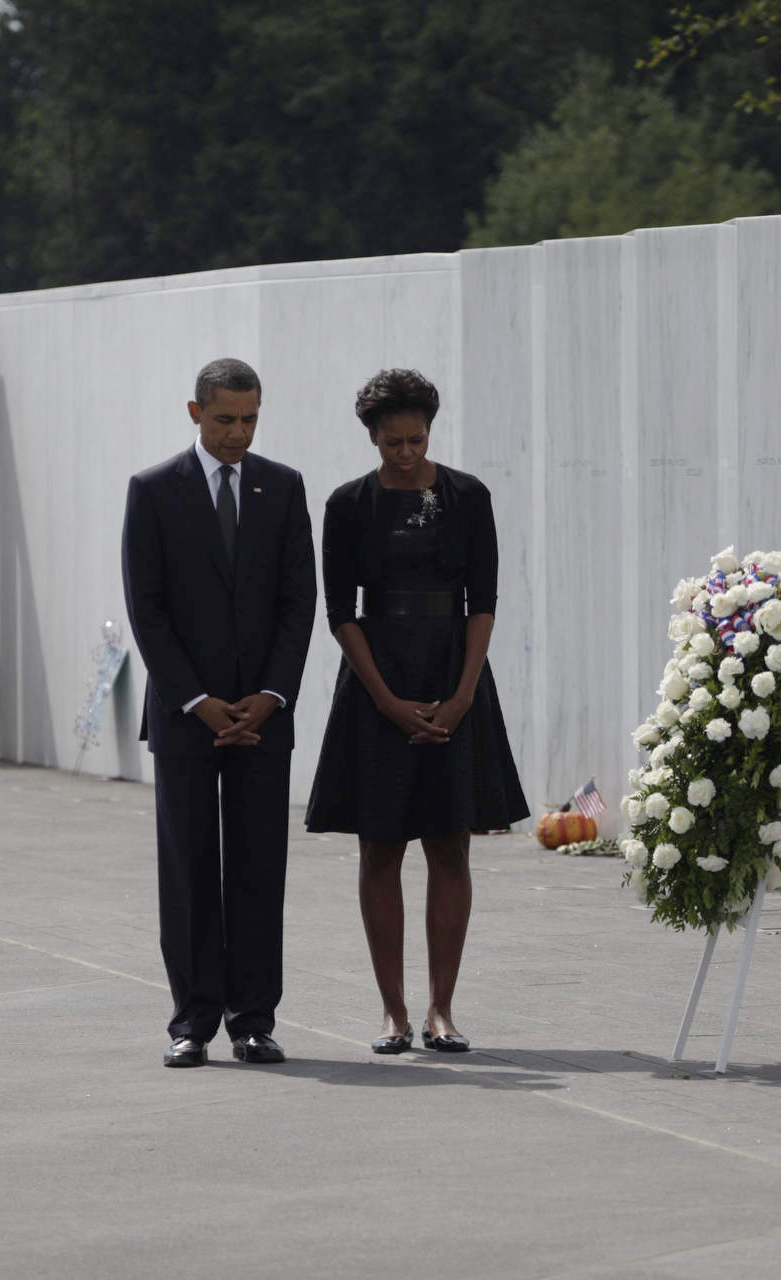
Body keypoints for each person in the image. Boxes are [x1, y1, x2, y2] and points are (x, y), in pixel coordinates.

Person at [305, 368, 529, 1055]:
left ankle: (442, 1011)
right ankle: (392, 1014)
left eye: (417, 439)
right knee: (379, 847)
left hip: (455, 670)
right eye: (392, 441)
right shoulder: (348, 505)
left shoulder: (468, 496)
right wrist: (384, 699)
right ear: (371, 436)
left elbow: (484, 600)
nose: (406, 452)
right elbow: (341, 610)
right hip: (378, 678)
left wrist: (464, 694)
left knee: (450, 844)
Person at [120, 358, 317, 1068]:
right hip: (184, 719)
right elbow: (148, 609)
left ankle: (254, 1020)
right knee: (190, 867)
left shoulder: (284, 487)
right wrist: (198, 702)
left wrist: (270, 694)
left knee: (260, 868)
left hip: (265, 716)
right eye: (226, 418)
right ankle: (192, 1022)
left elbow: (300, 604)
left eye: (250, 418)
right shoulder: (152, 491)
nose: (238, 433)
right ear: (194, 412)